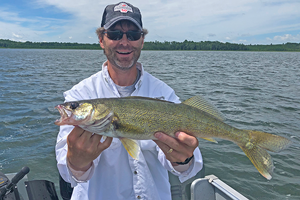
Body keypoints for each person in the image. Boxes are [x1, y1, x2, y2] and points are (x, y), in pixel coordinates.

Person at [56, 2, 203, 200]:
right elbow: (69, 174)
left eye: (133, 35)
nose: (124, 42)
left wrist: (183, 159)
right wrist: (76, 162)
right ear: (101, 39)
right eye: (115, 34)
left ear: (142, 41)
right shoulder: (80, 93)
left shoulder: (164, 93)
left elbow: (187, 169)